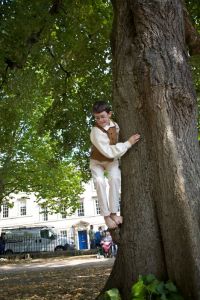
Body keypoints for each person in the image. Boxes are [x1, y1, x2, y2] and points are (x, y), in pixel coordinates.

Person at [90, 101, 140, 229]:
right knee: (100, 182)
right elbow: (108, 151)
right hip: (97, 162)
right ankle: (106, 216)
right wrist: (128, 143)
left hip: (111, 161)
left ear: (109, 114)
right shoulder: (95, 132)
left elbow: (114, 144)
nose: (100, 120)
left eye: (103, 116)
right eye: (97, 117)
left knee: (115, 179)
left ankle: (113, 213)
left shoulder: (115, 125)